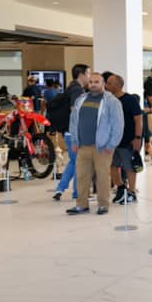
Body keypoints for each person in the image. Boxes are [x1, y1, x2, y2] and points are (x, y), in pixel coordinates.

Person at [65, 73, 123, 215]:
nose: (93, 84)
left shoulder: (111, 101)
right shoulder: (81, 99)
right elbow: (73, 121)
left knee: (102, 177)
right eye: (91, 82)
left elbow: (118, 125)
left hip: (102, 147)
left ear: (103, 83)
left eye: (97, 82)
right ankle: (81, 205)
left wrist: (111, 145)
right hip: (83, 146)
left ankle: (103, 205)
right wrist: (74, 140)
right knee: (81, 177)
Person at [53, 64, 91, 201]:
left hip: (68, 131)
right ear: (81, 75)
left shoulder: (70, 87)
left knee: (74, 161)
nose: (89, 77)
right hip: (74, 132)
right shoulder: (77, 90)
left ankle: (60, 188)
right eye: (88, 74)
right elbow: (75, 110)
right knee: (79, 162)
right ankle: (78, 193)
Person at [106, 75, 143, 204]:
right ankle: (121, 188)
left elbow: (138, 119)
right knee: (112, 165)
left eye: (109, 83)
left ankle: (132, 192)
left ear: (117, 85)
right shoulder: (108, 100)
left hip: (128, 140)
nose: (106, 85)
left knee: (129, 167)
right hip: (112, 141)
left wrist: (137, 137)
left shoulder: (130, 100)